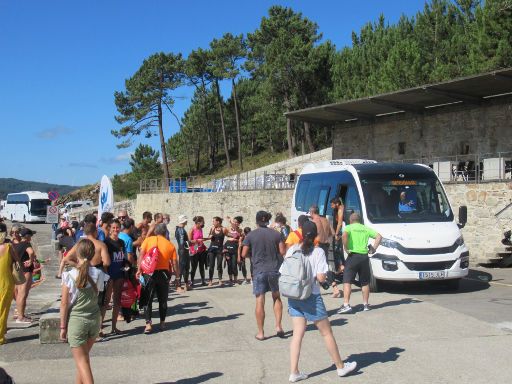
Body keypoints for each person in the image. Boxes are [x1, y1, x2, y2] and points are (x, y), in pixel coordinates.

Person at [283, 221, 357, 382]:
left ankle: (294, 372)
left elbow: (284, 271)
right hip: (311, 296)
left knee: (297, 334)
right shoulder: (318, 253)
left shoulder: (292, 250)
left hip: (294, 296)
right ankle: (340, 367)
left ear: (302, 235)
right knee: (326, 333)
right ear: (316, 235)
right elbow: (321, 278)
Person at [60, 239, 109, 384]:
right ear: (93, 254)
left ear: (77, 253)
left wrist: (63, 327)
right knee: (83, 361)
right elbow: (101, 292)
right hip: (94, 319)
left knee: (82, 363)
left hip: (77, 321)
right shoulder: (99, 274)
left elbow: (64, 303)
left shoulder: (69, 274)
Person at [242, 211, 286, 340]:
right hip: (274, 270)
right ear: (267, 221)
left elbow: (244, 254)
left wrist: (253, 256)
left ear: (256, 221)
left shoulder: (250, 235)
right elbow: (282, 251)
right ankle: (278, 326)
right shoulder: (276, 234)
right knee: (276, 297)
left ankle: (261, 333)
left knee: (260, 300)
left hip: (259, 271)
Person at [137, 223, 179, 334]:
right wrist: (178, 277)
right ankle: (162, 323)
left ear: (155, 232)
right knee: (163, 299)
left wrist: (139, 269)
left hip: (149, 273)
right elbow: (174, 263)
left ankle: (148, 324)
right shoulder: (170, 245)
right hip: (163, 274)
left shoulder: (148, 240)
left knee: (148, 299)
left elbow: (141, 255)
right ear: (165, 233)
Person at [338, 213, 382, 314]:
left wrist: (345, 247)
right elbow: (379, 237)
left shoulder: (348, 227)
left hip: (353, 256)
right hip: (364, 257)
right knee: (365, 282)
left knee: (347, 280)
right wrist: (374, 248)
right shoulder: (365, 228)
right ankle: (366, 304)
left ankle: (346, 305)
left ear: (351, 220)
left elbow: (344, 235)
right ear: (359, 220)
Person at [104, 219, 126, 334]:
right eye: (113, 228)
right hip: (109, 275)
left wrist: (126, 267)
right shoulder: (106, 242)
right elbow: (104, 260)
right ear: (109, 229)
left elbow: (123, 259)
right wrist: (107, 275)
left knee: (117, 301)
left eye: (117, 227)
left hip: (120, 274)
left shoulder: (122, 242)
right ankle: (99, 329)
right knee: (106, 301)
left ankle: (114, 327)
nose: (116, 230)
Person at [0, 222, 20, 345]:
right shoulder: (8, 247)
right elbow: (17, 260)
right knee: (3, 309)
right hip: (5, 281)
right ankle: (0, 337)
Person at [13, 227, 37, 323]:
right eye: (30, 235)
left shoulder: (16, 245)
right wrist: (31, 261)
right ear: (27, 236)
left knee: (19, 294)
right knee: (23, 294)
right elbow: (31, 252)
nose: (31, 237)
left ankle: (19, 313)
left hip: (18, 271)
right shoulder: (26, 244)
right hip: (26, 271)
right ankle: (21, 317)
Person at [206, 217, 228, 286]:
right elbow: (209, 236)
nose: (213, 223)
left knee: (219, 265)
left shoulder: (224, 229)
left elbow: (229, 235)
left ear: (218, 222)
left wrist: (236, 235)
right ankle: (210, 281)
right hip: (212, 249)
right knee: (211, 265)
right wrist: (210, 236)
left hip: (219, 249)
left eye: (214, 221)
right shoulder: (212, 228)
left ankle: (220, 280)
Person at [224, 216, 244, 285]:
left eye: (236, 222)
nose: (234, 223)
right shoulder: (228, 228)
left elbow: (240, 241)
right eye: (234, 222)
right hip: (228, 247)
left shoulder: (240, 230)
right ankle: (230, 279)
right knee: (229, 264)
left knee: (234, 264)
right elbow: (226, 234)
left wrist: (236, 239)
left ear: (239, 223)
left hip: (235, 247)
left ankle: (235, 279)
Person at [188, 216, 207, 287]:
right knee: (194, 266)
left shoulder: (201, 229)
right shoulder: (192, 230)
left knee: (202, 266)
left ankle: (203, 280)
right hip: (194, 250)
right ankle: (191, 281)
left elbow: (201, 238)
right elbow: (189, 241)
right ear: (198, 222)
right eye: (203, 222)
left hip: (201, 249)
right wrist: (197, 241)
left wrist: (205, 240)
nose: (204, 223)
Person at [175, 215, 190, 290]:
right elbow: (181, 242)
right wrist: (191, 242)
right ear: (184, 221)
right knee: (182, 267)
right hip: (183, 250)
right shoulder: (180, 230)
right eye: (186, 220)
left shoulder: (181, 229)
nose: (187, 221)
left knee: (186, 268)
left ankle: (186, 284)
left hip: (184, 250)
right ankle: (178, 285)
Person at [330, 197, 345, 273]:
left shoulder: (340, 210)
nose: (331, 207)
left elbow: (339, 223)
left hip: (339, 233)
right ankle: (341, 267)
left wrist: (336, 233)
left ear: (337, 204)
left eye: (332, 205)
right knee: (339, 250)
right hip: (339, 232)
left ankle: (341, 267)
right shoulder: (338, 209)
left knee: (338, 250)